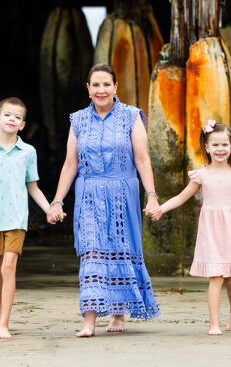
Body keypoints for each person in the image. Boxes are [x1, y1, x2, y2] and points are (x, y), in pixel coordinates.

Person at [47, 64, 161, 337]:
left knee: (120, 248)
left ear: (115, 87)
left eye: (106, 84)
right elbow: (70, 164)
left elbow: (142, 160)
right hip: (89, 194)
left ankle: (118, 313)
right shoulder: (78, 120)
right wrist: (57, 201)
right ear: (88, 88)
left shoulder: (131, 116)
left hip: (123, 191)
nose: (101, 90)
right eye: (95, 85)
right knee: (92, 251)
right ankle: (89, 321)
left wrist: (152, 197)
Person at [148, 121, 231, 335]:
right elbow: (181, 197)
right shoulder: (201, 175)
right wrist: (161, 209)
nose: (220, 149)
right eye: (215, 145)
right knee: (216, 276)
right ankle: (213, 323)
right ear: (207, 147)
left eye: (225, 145)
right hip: (211, 230)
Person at [0, 97, 50, 340]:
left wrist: (49, 209)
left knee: (8, 267)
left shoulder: (28, 152)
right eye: (7, 115)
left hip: (17, 220)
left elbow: (33, 187)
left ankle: (4, 324)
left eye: (17, 117)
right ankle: (1, 314)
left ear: (22, 125)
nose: (12, 120)